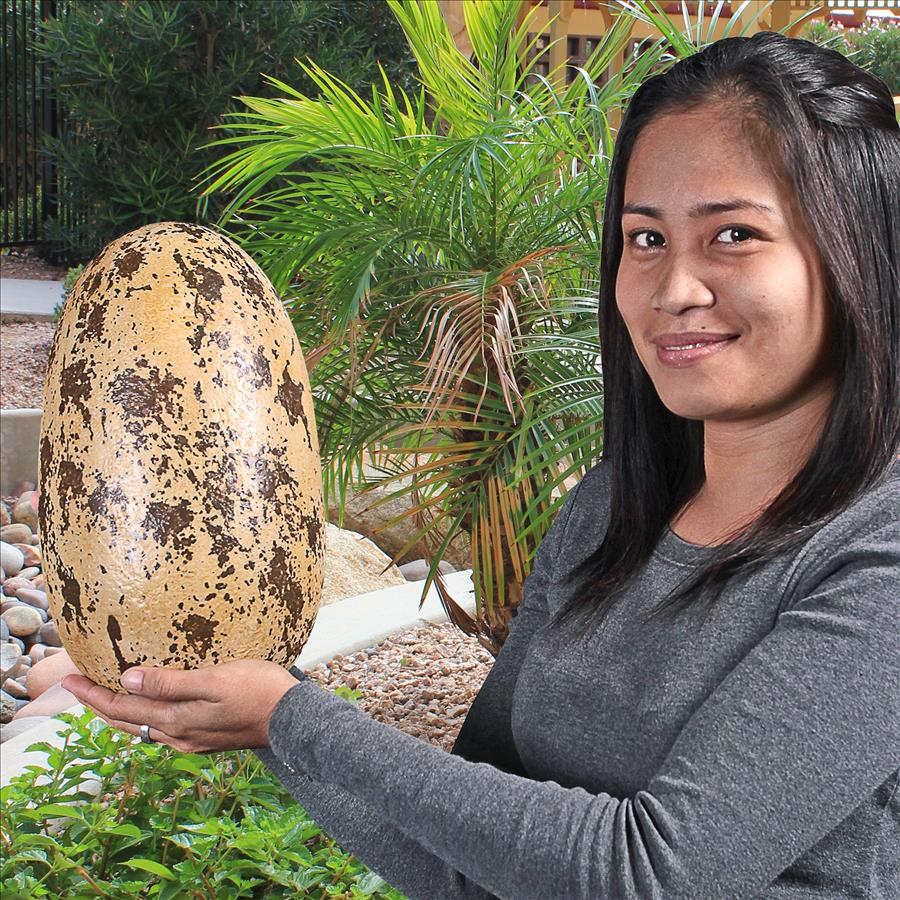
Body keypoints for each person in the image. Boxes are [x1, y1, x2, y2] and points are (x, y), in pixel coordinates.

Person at [63, 31, 899, 899]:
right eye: (644, 239)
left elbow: (656, 876)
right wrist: (258, 718)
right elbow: (472, 863)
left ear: (855, 254)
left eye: (733, 233)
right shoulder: (612, 510)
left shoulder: (879, 554)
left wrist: (290, 715)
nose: (673, 287)